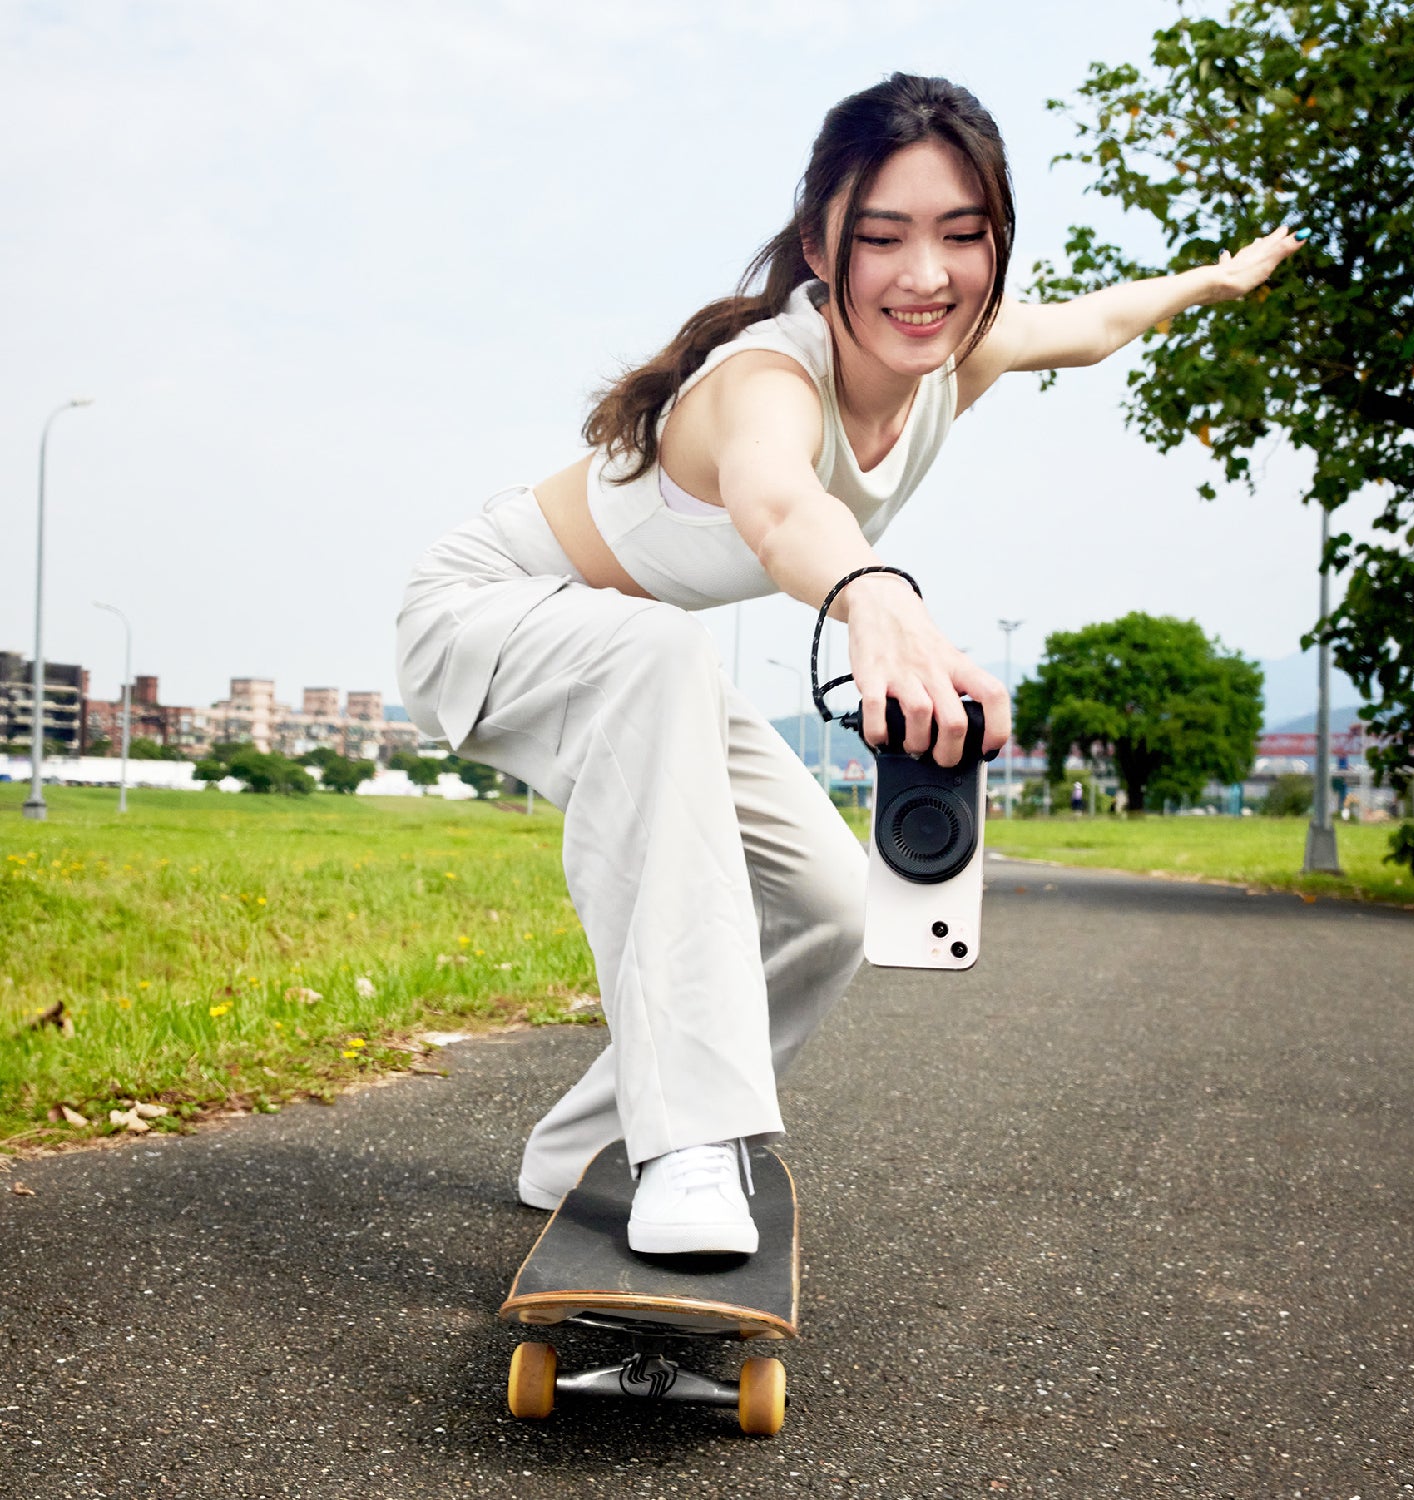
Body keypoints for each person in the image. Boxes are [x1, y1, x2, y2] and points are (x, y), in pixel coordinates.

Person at [395, 73, 1304, 1257]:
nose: (926, 277)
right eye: (885, 239)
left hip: (633, 663)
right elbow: (778, 503)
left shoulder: (957, 358)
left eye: (962, 236)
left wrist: (1212, 281)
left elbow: (1095, 323)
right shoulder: (763, 378)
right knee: (666, 647)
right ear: (824, 241)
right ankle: (688, 1146)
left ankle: (586, 1149)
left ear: (995, 243)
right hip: (488, 611)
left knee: (828, 901)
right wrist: (873, 597)